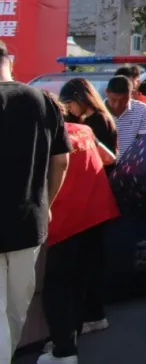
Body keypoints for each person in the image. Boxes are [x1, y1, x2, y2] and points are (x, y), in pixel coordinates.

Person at [0, 39, 71, 363]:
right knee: (16, 308)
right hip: (30, 220)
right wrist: (48, 203)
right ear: (10, 61)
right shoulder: (42, 101)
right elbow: (62, 161)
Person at [38, 93, 119, 364]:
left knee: (57, 285)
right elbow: (109, 158)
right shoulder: (84, 130)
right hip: (96, 212)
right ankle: (74, 333)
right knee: (81, 278)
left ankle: (64, 350)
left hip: (65, 217)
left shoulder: (44, 137)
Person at [58, 78, 118, 168]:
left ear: (81, 97)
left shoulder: (99, 120)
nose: (68, 108)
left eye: (69, 103)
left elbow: (106, 158)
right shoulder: (86, 119)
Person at [104, 75, 146, 156]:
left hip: (131, 161)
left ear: (132, 93)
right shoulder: (97, 111)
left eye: (123, 100)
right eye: (113, 99)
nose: (117, 105)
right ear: (106, 92)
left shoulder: (142, 109)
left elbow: (142, 141)